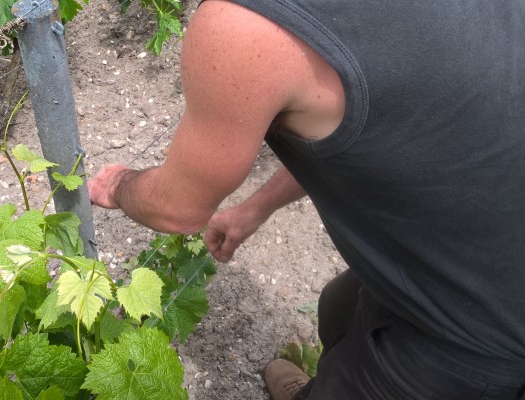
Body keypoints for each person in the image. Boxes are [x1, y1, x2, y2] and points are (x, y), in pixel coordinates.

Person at [88, 0, 525, 398]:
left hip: (487, 331)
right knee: (339, 308)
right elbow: (378, 120)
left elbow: (176, 208)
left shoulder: (242, 28)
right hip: (478, 245)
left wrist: (119, 184)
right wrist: (255, 207)